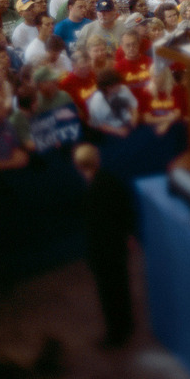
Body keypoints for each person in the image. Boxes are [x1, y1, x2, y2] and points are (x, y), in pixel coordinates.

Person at [72, 143, 137, 349]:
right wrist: (129, 235)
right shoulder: (111, 180)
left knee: (109, 294)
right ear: (97, 160)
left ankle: (117, 334)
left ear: (78, 166)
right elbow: (126, 209)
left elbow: (93, 227)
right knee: (121, 286)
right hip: (117, 245)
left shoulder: (90, 193)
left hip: (102, 251)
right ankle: (127, 324)